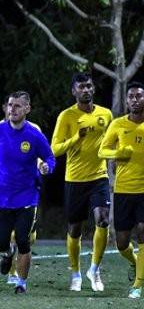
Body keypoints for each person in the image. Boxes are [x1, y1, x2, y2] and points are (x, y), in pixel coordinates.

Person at [0, 91, 55, 294]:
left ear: (27, 109)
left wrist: (47, 167)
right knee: (0, 242)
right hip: (1, 197)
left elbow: (50, 157)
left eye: (17, 106)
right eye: (10, 105)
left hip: (27, 197)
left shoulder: (34, 135)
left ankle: (21, 283)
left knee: (23, 240)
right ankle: (7, 254)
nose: (12, 109)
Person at [51, 73, 113, 292]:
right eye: (81, 87)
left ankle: (94, 270)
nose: (85, 90)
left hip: (99, 177)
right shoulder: (66, 116)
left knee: (103, 220)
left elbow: (112, 141)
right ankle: (76, 273)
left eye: (88, 86)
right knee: (75, 229)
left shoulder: (106, 114)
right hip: (75, 179)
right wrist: (76, 138)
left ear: (93, 89)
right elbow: (54, 149)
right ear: (74, 91)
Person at [98, 81, 144, 298]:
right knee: (122, 242)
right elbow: (102, 151)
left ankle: (138, 285)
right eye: (131, 97)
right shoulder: (117, 124)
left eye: (139, 96)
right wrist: (119, 154)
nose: (135, 100)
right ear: (126, 100)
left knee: (143, 231)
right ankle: (135, 263)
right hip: (124, 189)